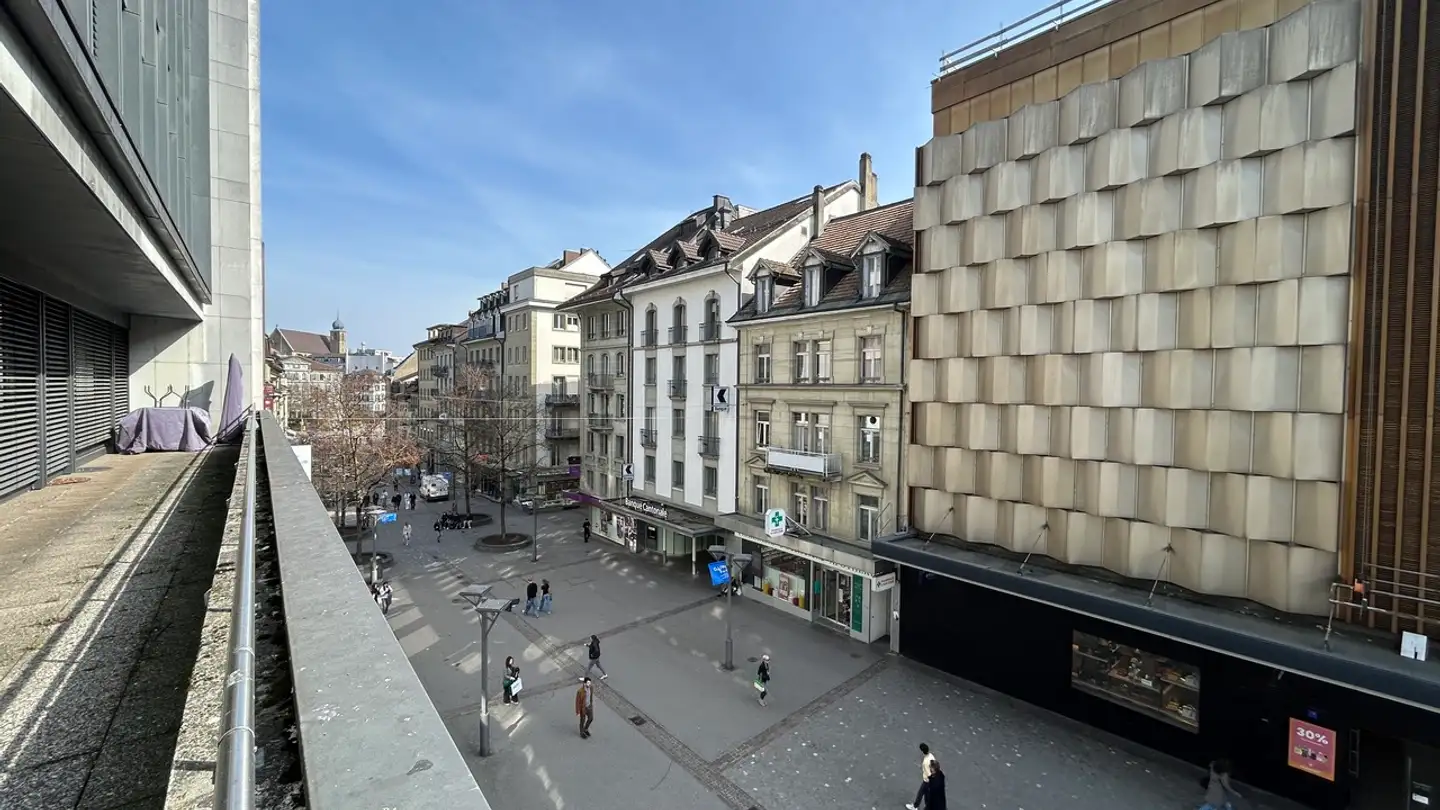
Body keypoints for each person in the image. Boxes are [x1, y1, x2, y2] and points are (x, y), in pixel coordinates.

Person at [906, 743, 937, 810]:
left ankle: (915, 806)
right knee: (926, 795)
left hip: (927, 782)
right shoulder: (931, 756)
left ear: (922, 751)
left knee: (921, 794)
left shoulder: (925, 762)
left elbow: (929, 774)